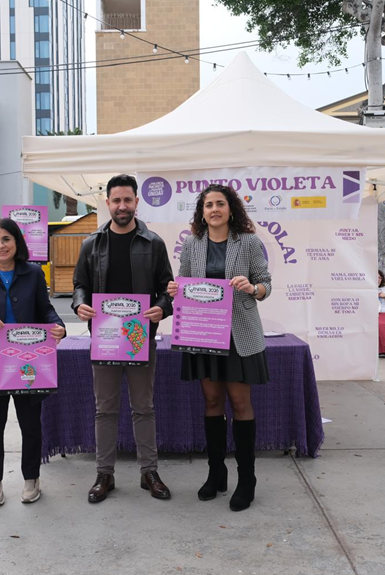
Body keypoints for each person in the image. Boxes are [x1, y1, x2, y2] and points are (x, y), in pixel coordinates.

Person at [167, 184, 271, 512]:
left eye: (220, 204)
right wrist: (174, 289)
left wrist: (253, 288)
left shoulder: (250, 242)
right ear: (201, 211)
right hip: (203, 334)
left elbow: (266, 283)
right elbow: (183, 283)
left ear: (231, 209)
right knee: (212, 400)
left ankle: (247, 478)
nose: (214, 209)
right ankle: (216, 472)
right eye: (208, 204)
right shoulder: (192, 245)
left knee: (240, 403)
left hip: (238, 334)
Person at [73, 174, 175, 503]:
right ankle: (105, 475)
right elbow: (79, 285)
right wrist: (79, 305)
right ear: (108, 204)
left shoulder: (153, 243)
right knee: (105, 410)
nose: (122, 206)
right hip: (104, 339)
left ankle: (149, 472)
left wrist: (162, 307)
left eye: (127, 200)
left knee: (143, 408)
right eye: (116, 200)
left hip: (139, 339)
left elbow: (167, 289)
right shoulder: (92, 244)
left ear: (136, 202)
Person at [0, 218, 66, 507]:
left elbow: (46, 310)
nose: (0, 245)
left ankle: (31, 479)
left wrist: (59, 327)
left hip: (27, 363)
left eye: (6, 239)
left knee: (31, 425)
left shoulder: (32, 273)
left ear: (17, 242)